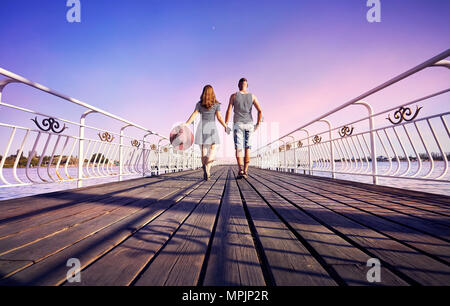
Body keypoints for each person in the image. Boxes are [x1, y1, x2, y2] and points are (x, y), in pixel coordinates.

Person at [185, 85, 230, 180]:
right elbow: (219, 118)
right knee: (212, 149)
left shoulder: (199, 104)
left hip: (202, 127)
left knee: (203, 150)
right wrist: (225, 126)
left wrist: (186, 124)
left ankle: (205, 167)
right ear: (213, 93)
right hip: (212, 128)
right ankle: (208, 170)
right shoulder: (216, 104)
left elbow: (194, 114)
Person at [225, 78, 262, 179]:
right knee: (247, 148)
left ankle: (240, 170)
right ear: (247, 85)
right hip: (249, 124)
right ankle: (245, 171)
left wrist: (226, 124)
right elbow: (260, 111)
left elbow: (228, 110)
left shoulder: (234, 96)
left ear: (238, 85)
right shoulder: (252, 96)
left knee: (238, 148)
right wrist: (258, 123)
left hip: (238, 124)